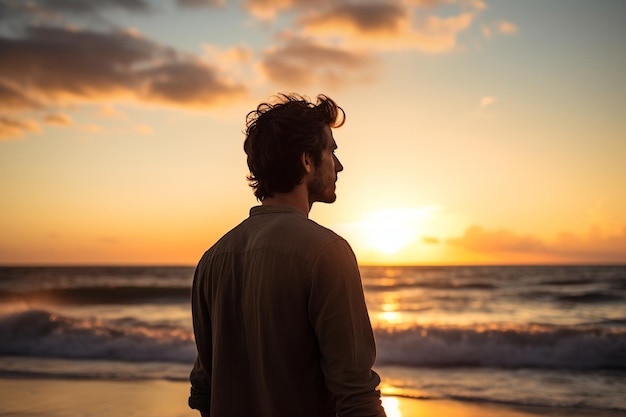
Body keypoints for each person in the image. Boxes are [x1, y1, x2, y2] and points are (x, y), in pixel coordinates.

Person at [189, 94, 386, 417]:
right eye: (331, 151)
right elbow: (356, 393)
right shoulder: (326, 252)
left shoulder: (213, 258)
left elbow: (203, 392)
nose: (338, 164)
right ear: (306, 161)